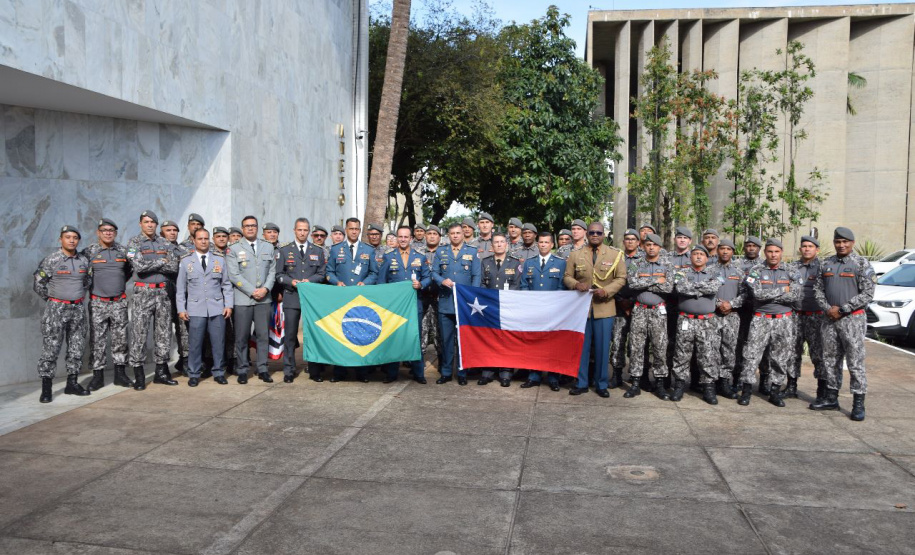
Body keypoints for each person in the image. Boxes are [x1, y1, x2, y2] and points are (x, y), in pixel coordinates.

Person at [810, 227, 875, 421]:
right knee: (830, 359)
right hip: (829, 319)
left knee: (855, 361)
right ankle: (831, 398)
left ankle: (858, 403)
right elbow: (817, 290)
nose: (841, 245)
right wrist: (828, 308)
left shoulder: (861, 263)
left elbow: (868, 293)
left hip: (852, 320)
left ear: (852, 243)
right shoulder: (826, 264)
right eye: (838, 242)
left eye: (845, 242)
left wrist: (843, 309)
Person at [563, 222, 627, 397]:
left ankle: (601, 384)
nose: (595, 235)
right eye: (592, 232)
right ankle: (582, 382)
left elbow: (621, 278)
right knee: (581, 348)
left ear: (604, 234)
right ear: (587, 234)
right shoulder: (576, 254)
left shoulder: (615, 254)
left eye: (598, 232)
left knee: (602, 348)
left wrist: (606, 291)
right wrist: (576, 284)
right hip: (581, 309)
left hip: (604, 308)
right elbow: (567, 276)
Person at [737, 239, 801, 407]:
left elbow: (795, 295)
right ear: (765, 252)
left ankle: (775, 391)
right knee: (751, 355)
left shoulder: (791, 271)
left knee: (780, 357)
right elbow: (757, 293)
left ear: (781, 252)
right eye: (770, 251)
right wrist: (782, 290)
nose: (773, 255)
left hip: (783, 320)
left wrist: (770, 293)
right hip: (761, 318)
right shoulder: (755, 270)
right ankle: (746, 391)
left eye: (776, 251)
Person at [33, 225, 92, 403]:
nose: (72, 240)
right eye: (68, 237)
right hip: (56, 309)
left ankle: (72, 384)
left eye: (75, 237)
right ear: (61, 240)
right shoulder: (52, 260)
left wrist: (75, 297)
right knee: (51, 349)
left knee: (76, 346)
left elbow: (87, 281)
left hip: (77, 309)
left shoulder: (84, 260)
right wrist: (54, 301)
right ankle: (46, 388)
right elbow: (38, 284)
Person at [127, 210, 179, 390]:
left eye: (153, 222)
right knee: (139, 334)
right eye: (146, 222)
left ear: (157, 225)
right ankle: (139, 375)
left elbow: (174, 266)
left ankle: (161, 372)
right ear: (141, 224)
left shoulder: (165, 242)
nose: (150, 225)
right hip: (143, 293)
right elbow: (138, 266)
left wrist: (158, 264)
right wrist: (161, 262)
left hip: (163, 293)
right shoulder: (134, 243)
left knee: (163, 334)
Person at [176, 228, 234, 386]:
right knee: (195, 343)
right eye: (200, 239)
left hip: (217, 308)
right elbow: (180, 288)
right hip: (195, 309)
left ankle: (219, 372)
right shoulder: (186, 261)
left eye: (206, 238)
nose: (203, 241)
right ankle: (194, 373)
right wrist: (181, 308)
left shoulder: (219, 260)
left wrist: (228, 305)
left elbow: (226, 285)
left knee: (218, 342)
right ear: (194, 241)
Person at [82, 218, 133, 390]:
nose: (108, 233)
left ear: (116, 233)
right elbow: (83, 274)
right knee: (97, 340)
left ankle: (120, 375)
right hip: (98, 303)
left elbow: (129, 271)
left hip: (118, 302)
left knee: (121, 339)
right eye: (104, 230)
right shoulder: (89, 252)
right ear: (98, 232)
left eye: (111, 230)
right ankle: (97, 377)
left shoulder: (123, 251)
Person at [326, 217, 379, 382]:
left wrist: (366, 283)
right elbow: (329, 272)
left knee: (360, 335)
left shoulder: (368, 250)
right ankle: (339, 372)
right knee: (340, 334)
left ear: (359, 230)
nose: (354, 231)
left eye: (357, 229)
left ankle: (361, 372)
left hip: (361, 299)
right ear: (346, 230)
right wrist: (337, 282)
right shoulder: (335, 249)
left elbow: (374, 273)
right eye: (351, 229)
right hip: (341, 299)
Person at [274, 218, 327, 383]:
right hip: (292, 296)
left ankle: (315, 369)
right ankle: (289, 370)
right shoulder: (284, 250)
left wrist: (309, 281)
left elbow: (321, 273)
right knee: (290, 335)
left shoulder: (317, 250)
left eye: (305, 230)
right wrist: (292, 282)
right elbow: (279, 275)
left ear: (309, 232)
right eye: (299, 230)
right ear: (294, 230)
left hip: (311, 298)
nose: (302, 233)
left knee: (312, 334)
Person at [226, 215, 277, 384]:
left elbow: (272, 272)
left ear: (257, 228)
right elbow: (234, 274)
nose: (250, 228)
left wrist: (265, 289)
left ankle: (262, 368)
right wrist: (252, 291)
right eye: (246, 226)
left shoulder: (268, 247)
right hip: (243, 298)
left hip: (264, 299)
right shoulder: (233, 248)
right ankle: (242, 369)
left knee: (263, 336)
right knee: (242, 336)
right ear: (242, 229)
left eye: (253, 226)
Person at [378, 225, 431, 384]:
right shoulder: (388, 256)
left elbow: (428, 278)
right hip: (395, 307)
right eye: (399, 237)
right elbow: (382, 281)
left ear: (411, 239)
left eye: (405, 237)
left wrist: (421, 284)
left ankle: (418, 373)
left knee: (415, 338)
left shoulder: (420, 256)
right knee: (394, 337)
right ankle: (392, 373)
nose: (402, 239)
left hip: (414, 304)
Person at [623, 233, 673, 400]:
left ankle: (659, 383)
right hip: (639, 310)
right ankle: (636, 383)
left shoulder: (667, 264)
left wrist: (645, 284)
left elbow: (668, 288)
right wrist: (654, 281)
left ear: (660, 248)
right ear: (643, 246)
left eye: (654, 245)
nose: (651, 247)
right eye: (648, 244)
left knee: (660, 347)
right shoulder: (636, 264)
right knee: (636, 346)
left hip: (658, 311)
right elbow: (632, 284)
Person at [671, 245, 722, 404]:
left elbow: (713, 287)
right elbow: (680, 287)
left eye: (702, 254)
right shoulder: (681, 272)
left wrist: (692, 289)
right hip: (686, 319)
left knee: (707, 354)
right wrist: (702, 289)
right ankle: (679, 385)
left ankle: (708, 387)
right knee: (682, 353)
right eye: (695, 254)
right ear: (690, 257)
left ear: (707, 258)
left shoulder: (715, 272)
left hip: (706, 320)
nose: (698, 257)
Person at [432, 223, 481, 385]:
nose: (455, 235)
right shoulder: (441, 251)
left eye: (458, 233)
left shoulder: (472, 252)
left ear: (463, 234)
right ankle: (446, 372)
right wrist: (441, 280)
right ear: (448, 235)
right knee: (446, 340)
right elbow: (434, 272)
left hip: (464, 304)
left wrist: (471, 298)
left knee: (462, 340)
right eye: (452, 233)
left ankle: (462, 372)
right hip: (446, 302)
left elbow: (476, 276)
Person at [519, 231, 567, 391]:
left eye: (547, 242)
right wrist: (530, 303)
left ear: (552, 245)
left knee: (552, 344)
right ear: (537, 244)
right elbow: (524, 284)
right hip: (534, 311)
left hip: (553, 311)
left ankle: (553, 377)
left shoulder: (560, 263)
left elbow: (562, 286)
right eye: (541, 242)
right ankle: (534, 376)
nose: (544, 245)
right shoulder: (529, 262)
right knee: (534, 343)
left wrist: (554, 305)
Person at [479, 232, 523, 386]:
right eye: (496, 242)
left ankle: (506, 372)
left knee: (506, 339)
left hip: (508, 307)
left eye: (501, 242)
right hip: (489, 307)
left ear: (507, 244)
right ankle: (488, 371)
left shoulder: (515, 263)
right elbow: (482, 284)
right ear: (492, 246)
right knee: (489, 339)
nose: (499, 244)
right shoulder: (485, 262)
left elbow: (516, 285)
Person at [787, 235, 824, 399]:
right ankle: (791, 386)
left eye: (810, 246)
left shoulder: (823, 267)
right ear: (800, 249)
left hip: (816, 316)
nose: (807, 249)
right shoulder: (792, 267)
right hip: (796, 315)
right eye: (804, 246)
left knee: (818, 354)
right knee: (793, 352)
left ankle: (821, 390)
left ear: (817, 249)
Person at [610, 229, 643, 389]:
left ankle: (637, 377)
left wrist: (631, 301)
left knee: (637, 344)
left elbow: (647, 284)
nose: (630, 242)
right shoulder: (616, 258)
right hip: (618, 306)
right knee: (617, 342)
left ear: (638, 242)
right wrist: (620, 300)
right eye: (627, 239)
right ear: (623, 242)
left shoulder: (644, 260)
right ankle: (616, 375)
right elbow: (608, 280)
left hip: (638, 307)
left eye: (633, 239)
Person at [713, 238, 745, 400]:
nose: (725, 252)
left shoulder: (739, 271)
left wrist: (731, 304)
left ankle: (724, 382)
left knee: (729, 349)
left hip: (732, 315)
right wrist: (719, 303)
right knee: (711, 349)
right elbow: (705, 291)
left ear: (733, 252)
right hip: (713, 315)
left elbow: (745, 293)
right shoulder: (710, 269)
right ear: (718, 250)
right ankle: (711, 382)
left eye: (729, 249)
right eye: (722, 248)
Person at [161, 219, 191, 376]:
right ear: (162, 232)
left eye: (175, 230)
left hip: (180, 294)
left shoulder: (182, 250)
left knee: (183, 329)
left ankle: (184, 360)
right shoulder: (157, 248)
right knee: (163, 331)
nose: (172, 233)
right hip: (162, 294)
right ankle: (163, 365)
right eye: (168, 230)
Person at [210, 226, 236, 374]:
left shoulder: (233, 253)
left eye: (224, 236)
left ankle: (232, 361)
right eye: (218, 236)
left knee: (232, 331)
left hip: (232, 295)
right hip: (214, 298)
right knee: (213, 333)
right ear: (213, 238)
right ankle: (211, 362)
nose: (221, 239)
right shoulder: (209, 254)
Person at [420, 225, 443, 369]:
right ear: (425, 236)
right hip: (422, 296)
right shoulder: (418, 252)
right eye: (429, 234)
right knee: (421, 331)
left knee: (439, 332)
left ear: (439, 237)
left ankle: (442, 363)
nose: (432, 236)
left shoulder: (445, 252)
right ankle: (418, 364)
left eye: (435, 234)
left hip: (439, 297)